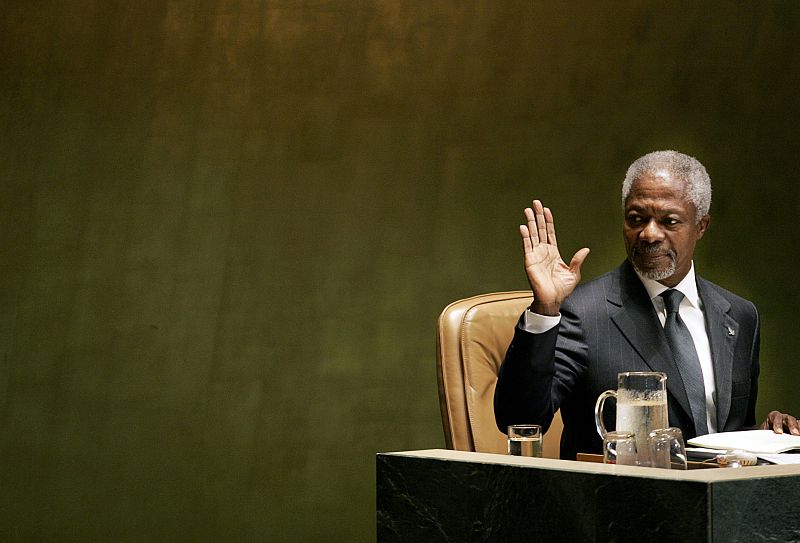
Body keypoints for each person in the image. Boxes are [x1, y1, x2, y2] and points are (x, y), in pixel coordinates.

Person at [494, 150, 798, 460]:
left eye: (669, 221)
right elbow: (519, 419)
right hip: (620, 488)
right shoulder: (583, 312)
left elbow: (730, 434)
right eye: (636, 219)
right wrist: (545, 310)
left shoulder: (740, 315)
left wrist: (769, 434)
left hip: (720, 490)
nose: (649, 234)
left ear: (701, 226)